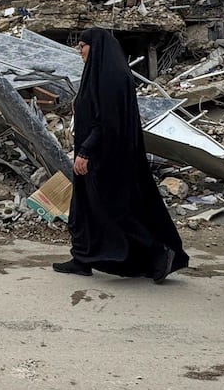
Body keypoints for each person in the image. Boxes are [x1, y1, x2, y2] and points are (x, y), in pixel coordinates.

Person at [54, 28, 188, 282]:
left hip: (105, 158)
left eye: (83, 45)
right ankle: (82, 258)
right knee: (86, 210)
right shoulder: (98, 73)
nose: (79, 51)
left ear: (97, 47)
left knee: (112, 212)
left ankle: (159, 252)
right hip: (95, 155)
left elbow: (106, 121)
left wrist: (85, 152)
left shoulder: (110, 77)